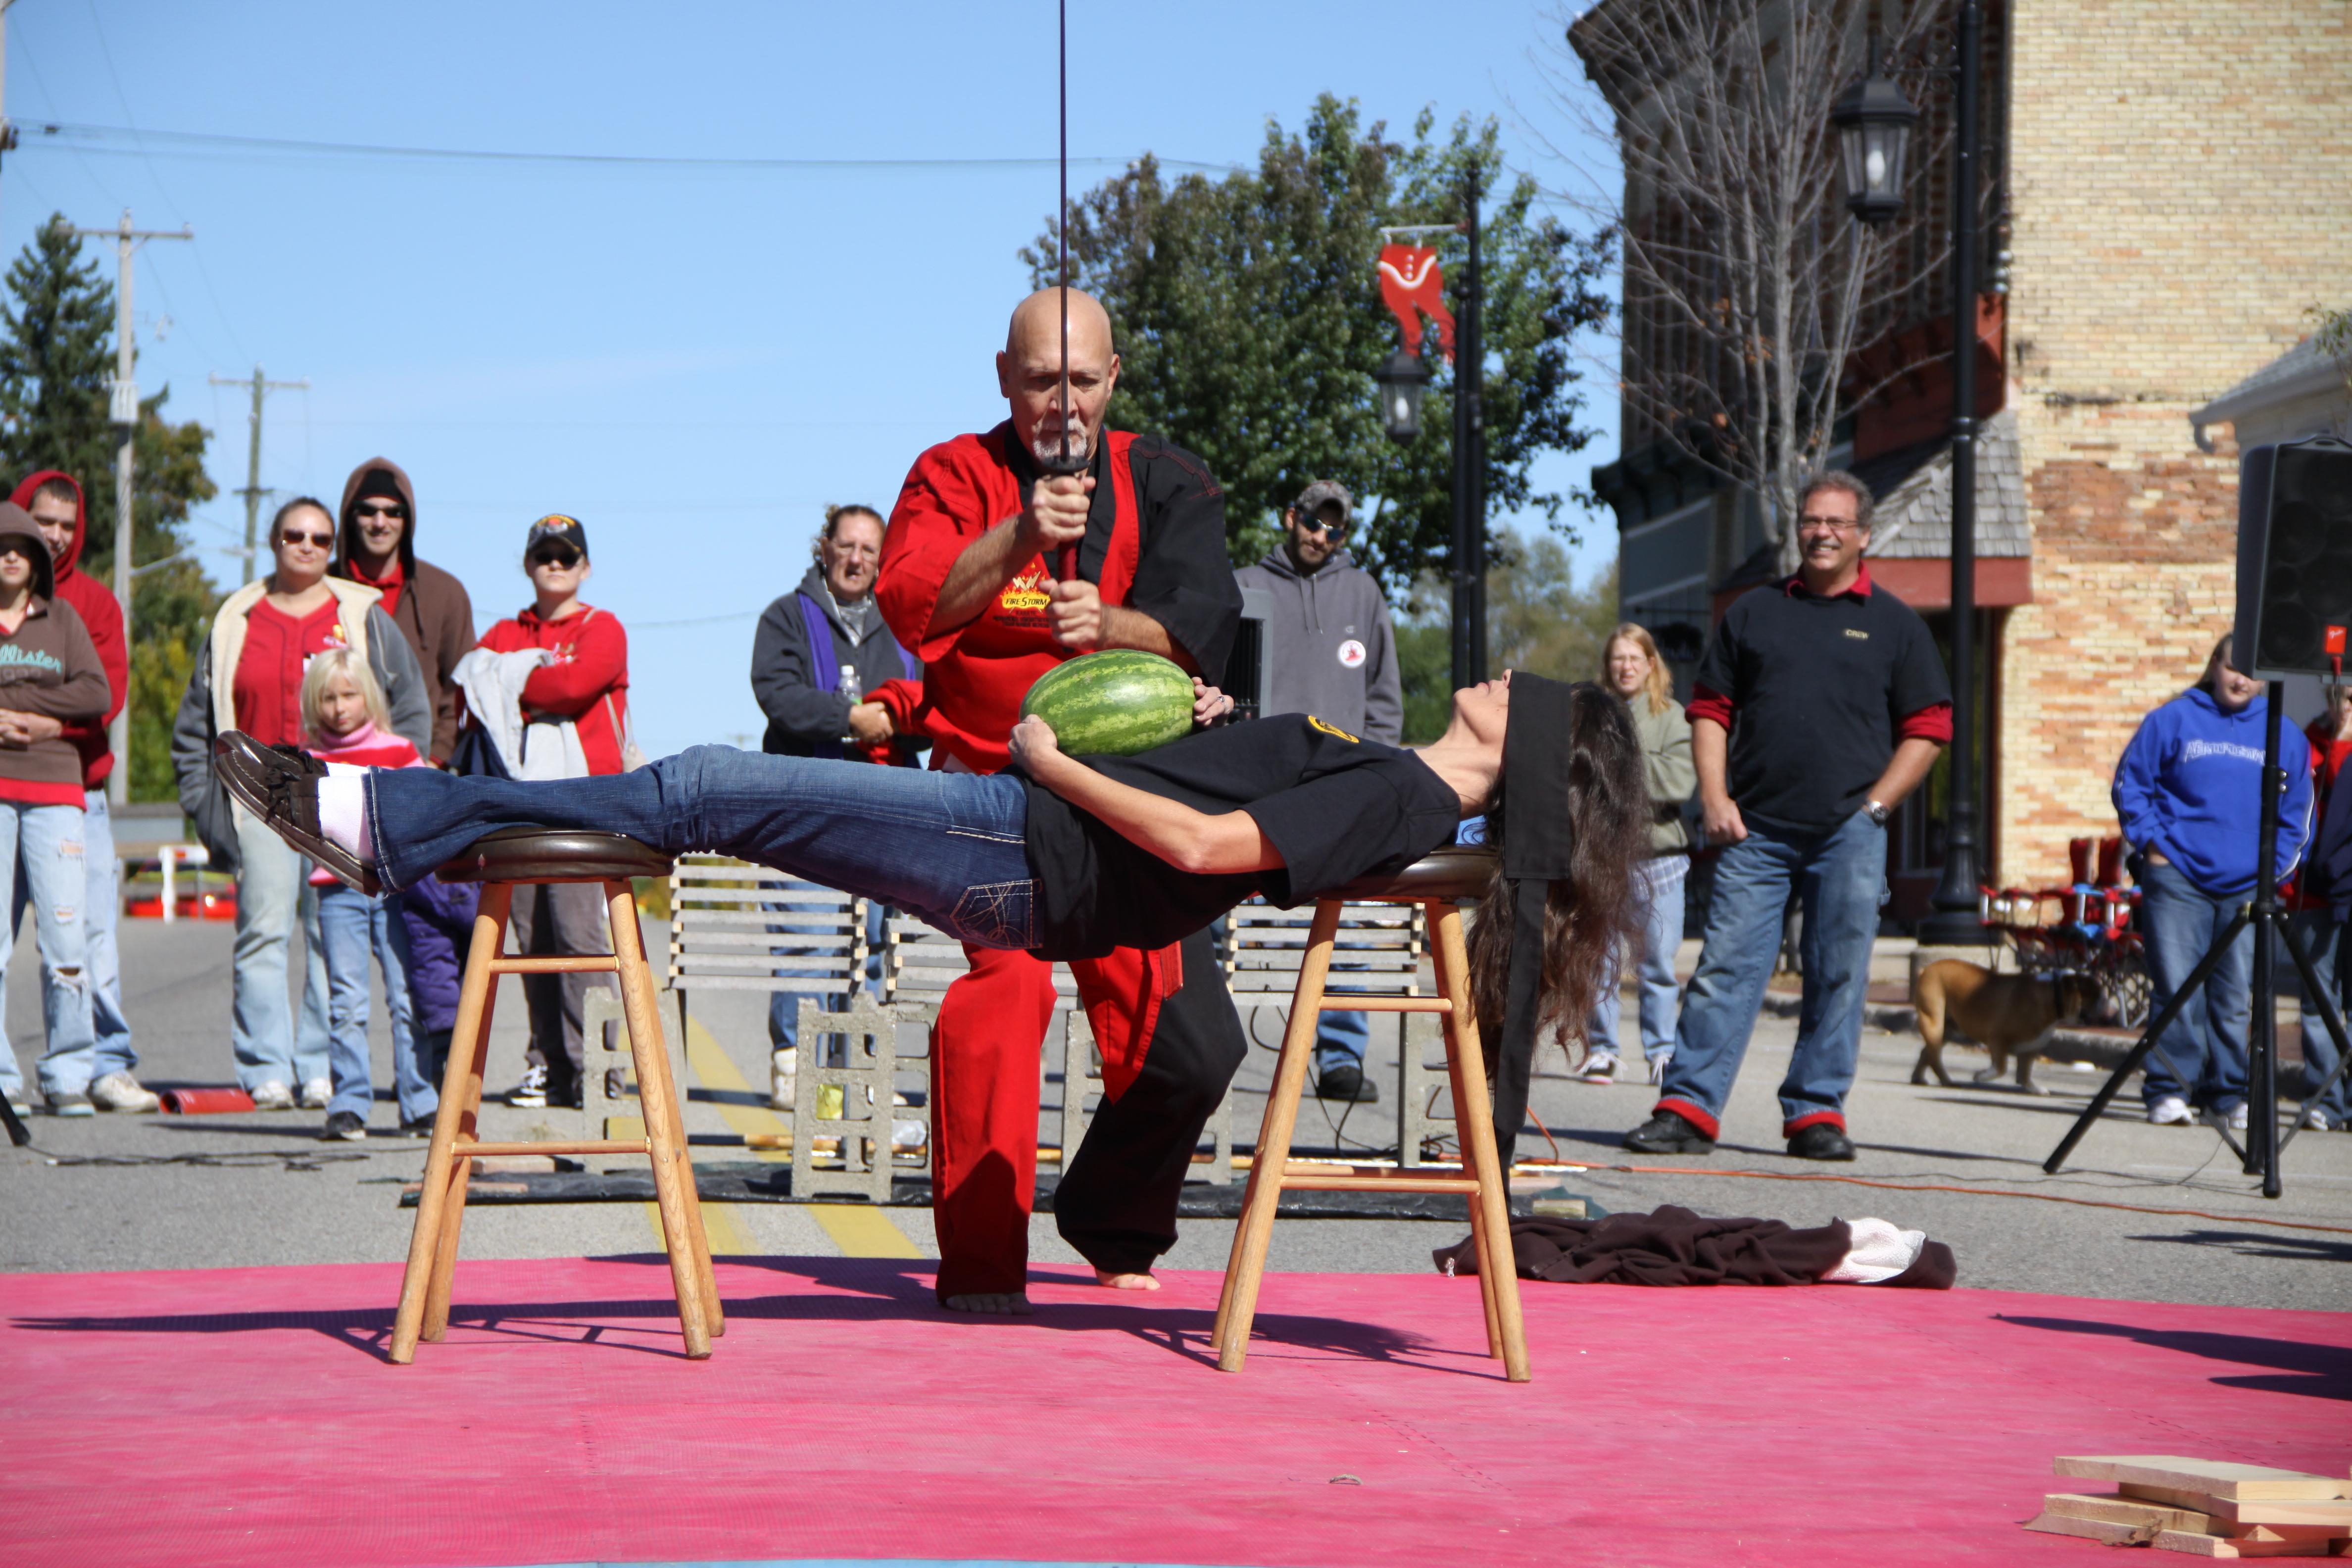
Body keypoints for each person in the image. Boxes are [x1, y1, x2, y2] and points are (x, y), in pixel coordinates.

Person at [214, 674, 1649, 1290]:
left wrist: (1055, 762)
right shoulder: (1392, 775)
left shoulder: (1401, 799)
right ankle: (393, 823)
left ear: (1529, 750)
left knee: (713, 783)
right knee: (714, 791)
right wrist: (1202, 723)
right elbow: (1228, 795)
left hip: (1025, 846)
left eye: (1534, 694)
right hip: (1026, 840)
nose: (1507, 677)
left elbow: (1214, 845)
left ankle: (387, 823)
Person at [876, 286, 1245, 1312]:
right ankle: (985, 1270)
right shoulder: (953, 473)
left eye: (1083, 380)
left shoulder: (1167, 480)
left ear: (1114, 380)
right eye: (1041, 380)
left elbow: (1200, 631)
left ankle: (1113, 1219)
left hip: (1124, 803)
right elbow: (913, 607)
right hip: (986, 800)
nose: (1063, 403)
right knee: (1008, 995)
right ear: (1006, 377)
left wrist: (1115, 626)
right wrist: (1020, 540)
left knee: (1189, 1036)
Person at [1624, 471, 1952, 1162]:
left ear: (1864, 535)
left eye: (1837, 523)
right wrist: (1714, 800)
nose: (1822, 533)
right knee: (1724, 971)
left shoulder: (1895, 625)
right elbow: (1710, 711)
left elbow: (1929, 727)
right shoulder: (1754, 613)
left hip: (1849, 837)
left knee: (1839, 974)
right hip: (1758, 832)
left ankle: (1815, 1113)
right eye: (1811, 521)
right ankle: (1687, 1109)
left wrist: (1876, 807)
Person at [172, 497, 431, 1110]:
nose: (307, 545)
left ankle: (319, 1067)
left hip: (338, 797)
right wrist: (211, 813)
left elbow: (411, 706)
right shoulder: (237, 616)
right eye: (294, 534)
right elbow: (195, 726)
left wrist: (394, 795)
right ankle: (266, 1066)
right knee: (262, 932)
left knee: (326, 936)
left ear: (332, 543)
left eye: (319, 537)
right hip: (260, 800)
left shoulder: (362, 614)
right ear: (274, 540)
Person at [1234, 479, 1403, 1104]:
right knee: (1233, 914)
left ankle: (1340, 1056)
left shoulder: (1362, 591)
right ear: (1291, 517)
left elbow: (1384, 693)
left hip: (1341, 781)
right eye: (1313, 523)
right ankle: (1215, 1047)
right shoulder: (1246, 584)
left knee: (1347, 922)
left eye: (1336, 530)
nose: (1321, 537)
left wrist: (1376, 763)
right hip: (1260, 779)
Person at [2112, 635, 2313, 1130]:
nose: (2240, 679)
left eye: (2250, 671)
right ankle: (2168, 1089)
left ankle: (2227, 1094)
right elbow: (2131, 784)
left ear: (2263, 678)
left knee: (2231, 992)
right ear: (2213, 667)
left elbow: (2297, 814)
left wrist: (2276, 869)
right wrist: (2152, 845)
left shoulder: (2282, 733)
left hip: (2248, 884)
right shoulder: (2173, 719)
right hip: (2178, 876)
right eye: (2231, 667)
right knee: (2177, 986)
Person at [748, 502, 923, 1074]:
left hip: (886, 815)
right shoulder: (786, 618)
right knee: (811, 944)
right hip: (806, 811)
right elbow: (779, 696)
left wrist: (896, 717)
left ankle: (866, 1078)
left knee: (876, 948)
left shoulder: (905, 626)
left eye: (869, 550)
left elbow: (934, 700)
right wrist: (851, 717)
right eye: (846, 546)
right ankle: (802, 1076)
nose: (856, 559)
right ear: (823, 548)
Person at [469, 515, 635, 1111]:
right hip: (515, 802)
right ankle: (550, 1065)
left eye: (568, 556)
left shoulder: (603, 627)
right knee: (530, 935)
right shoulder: (503, 629)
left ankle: (599, 1066)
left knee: (580, 935)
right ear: (528, 564)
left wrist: (516, 680)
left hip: (583, 804)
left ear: (585, 567)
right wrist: (528, 677)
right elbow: (474, 685)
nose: (556, 564)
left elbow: (573, 687)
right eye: (545, 555)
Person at [12, 471, 151, 1113]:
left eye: (68, 525)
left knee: (85, 935)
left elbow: (105, 694)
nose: (55, 535)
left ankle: (102, 1063)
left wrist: (45, 721)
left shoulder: (90, 604)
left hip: (78, 792)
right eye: (44, 520)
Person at [0, 505, 112, 1116]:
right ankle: (2, 1078)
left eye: (23, 547)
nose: (12, 556)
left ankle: (68, 1072)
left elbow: (97, 692)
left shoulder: (60, 617)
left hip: (56, 794)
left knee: (66, 935)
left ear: (38, 562)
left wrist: (42, 717)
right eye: (1, 547)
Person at [298, 648, 429, 1140]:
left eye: (350, 694)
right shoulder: (309, 760)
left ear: (369, 697)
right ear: (315, 702)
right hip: (336, 890)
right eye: (328, 697)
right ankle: (350, 1101)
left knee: (405, 994)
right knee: (346, 1000)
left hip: (395, 889)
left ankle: (419, 1101)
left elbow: (424, 805)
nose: (339, 707)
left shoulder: (399, 751)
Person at [1578, 624, 1695, 1086]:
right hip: (1604, 856)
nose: (1625, 667)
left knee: (1659, 963)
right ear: (1608, 667)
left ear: (1651, 665)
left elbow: (1680, 783)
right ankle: (1603, 1050)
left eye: (1634, 658)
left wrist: (1619, 766)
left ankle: (1662, 1052)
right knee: (1599, 957)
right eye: (1617, 659)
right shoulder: (1593, 719)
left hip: (1659, 860)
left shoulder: (1673, 717)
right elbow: (1581, 783)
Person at [330, 458, 476, 765]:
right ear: (350, 516)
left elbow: (461, 689)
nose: (380, 522)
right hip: (332, 768)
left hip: (419, 769)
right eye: (368, 511)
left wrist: (435, 759)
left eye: (394, 512)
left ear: (408, 518)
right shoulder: (323, 590)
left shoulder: (445, 593)